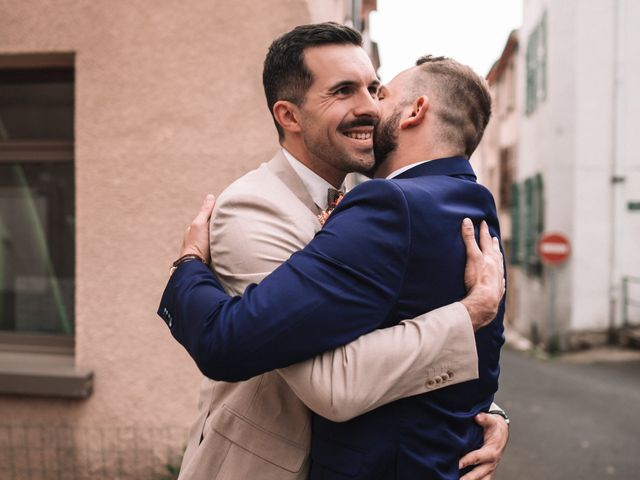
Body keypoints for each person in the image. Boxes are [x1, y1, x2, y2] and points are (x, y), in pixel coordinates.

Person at [161, 23, 507, 480]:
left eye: (373, 88)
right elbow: (330, 384)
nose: (367, 107)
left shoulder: (375, 203)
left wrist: (483, 414)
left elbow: (396, 322)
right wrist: (470, 314)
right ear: (289, 116)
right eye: (344, 91)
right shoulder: (253, 208)